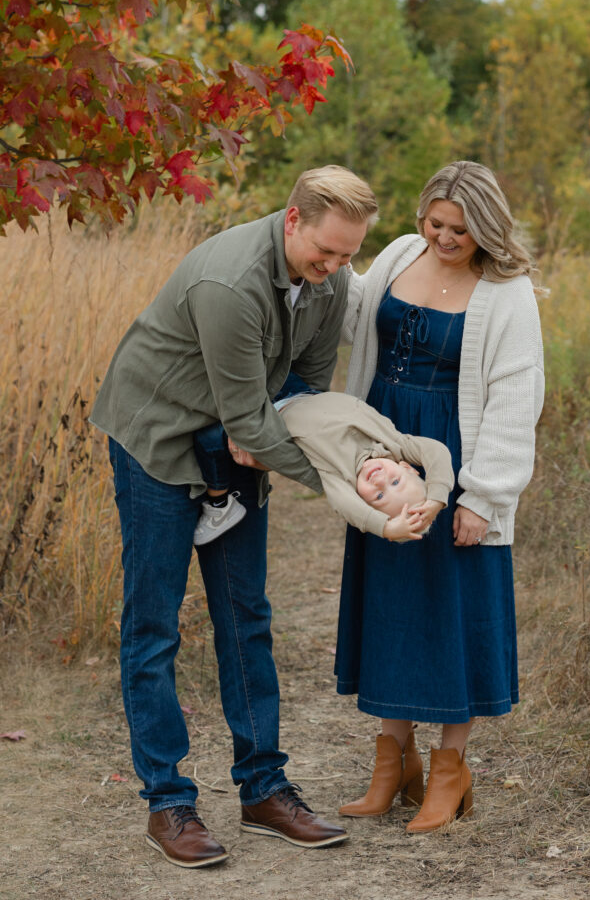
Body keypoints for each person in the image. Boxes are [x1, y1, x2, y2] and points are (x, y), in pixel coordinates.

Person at [90, 165, 378, 867]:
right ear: (292, 220)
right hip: (157, 439)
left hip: (231, 438)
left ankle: (263, 789)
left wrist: (270, 436)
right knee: (154, 624)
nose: (334, 268)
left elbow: (302, 391)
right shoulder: (230, 283)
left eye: (348, 256)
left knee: (245, 614)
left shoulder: (333, 278)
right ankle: (167, 801)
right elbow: (252, 419)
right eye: (325, 252)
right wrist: (346, 485)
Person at [335, 160, 545, 833]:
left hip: (456, 456)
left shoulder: (506, 292)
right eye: (435, 222)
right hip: (386, 452)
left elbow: (515, 397)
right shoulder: (400, 253)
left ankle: (450, 770)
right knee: (390, 602)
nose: (444, 238)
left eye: (460, 228)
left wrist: (482, 496)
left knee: (454, 607)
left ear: (486, 227)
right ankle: (393, 764)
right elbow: (353, 319)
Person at [191, 389, 455, 546]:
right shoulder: (396, 445)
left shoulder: (338, 477)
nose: (380, 481)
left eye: (379, 496)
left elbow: (349, 508)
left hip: (270, 417)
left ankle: (219, 504)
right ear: (408, 467)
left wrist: (385, 528)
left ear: (362, 500)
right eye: (395, 482)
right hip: (299, 390)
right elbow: (437, 452)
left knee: (210, 438)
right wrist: (436, 498)